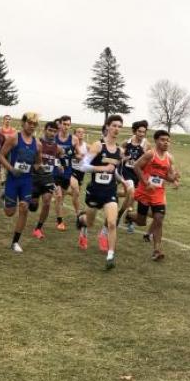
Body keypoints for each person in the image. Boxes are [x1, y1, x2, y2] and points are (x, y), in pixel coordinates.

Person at [76, 114, 124, 270]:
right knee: (89, 222)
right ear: (108, 126)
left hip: (110, 191)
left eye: (119, 126)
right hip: (95, 191)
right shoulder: (98, 145)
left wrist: (121, 180)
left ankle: (110, 255)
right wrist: (101, 168)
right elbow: (83, 166)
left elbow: (113, 171)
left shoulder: (119, 151)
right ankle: (81, 221)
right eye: (114, 125)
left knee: (111, 223)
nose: (117, 129)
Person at [127, 129, 180, 260]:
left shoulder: (170, 158)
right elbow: (136, 167)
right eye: (163, 140)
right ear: (156, 141)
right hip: (145, 192)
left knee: (159, 219)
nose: (166, 142)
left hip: (158, 193)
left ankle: (157, 250)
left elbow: (168, 176)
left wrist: (174, 180)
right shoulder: (150, 154)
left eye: (168, 140)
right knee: (141, 221)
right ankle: (129, 216)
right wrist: (145, 182)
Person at [0, 112, 41, 253]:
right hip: (13, 179)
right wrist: (11, 168)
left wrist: (38, 169)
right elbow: (1, 156)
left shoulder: (38, 144)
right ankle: (5, 196)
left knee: (24, 209)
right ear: (23, 123)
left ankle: (15, 242)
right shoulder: (13, 138)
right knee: (10, 212)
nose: (32, 126)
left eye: (34, 124)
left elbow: (38, 162)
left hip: (26, 181)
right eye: (29, 123)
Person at [32, 121, 64, 239]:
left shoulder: (58, 148)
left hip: (48, 178)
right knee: (33, 206)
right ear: (45, 130)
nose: (52, 133)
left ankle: (38, 228)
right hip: (34, 178)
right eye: (50, 130)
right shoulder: (37, 143)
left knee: (46, 202)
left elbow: (59, 157)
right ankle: (33, 202)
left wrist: (60, 165)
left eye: (55, 131)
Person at [118, 120, 149, 231]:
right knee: (131, 193)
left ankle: (129, 217)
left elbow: (149, 159)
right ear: (134, 131)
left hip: (138, 174)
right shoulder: (126, 142)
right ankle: (121, 214)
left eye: (143, 132)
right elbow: (119, 157)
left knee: (133, 196)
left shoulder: (146, 144)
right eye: (139, 131)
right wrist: (123, 158)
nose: (141, 134)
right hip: (126, 172)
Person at [53, 115, 82, 231]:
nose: (66, 127)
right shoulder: (54, 137)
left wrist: (77, 156)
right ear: (60, 125)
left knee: (62, 196)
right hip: (54, 171)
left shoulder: (74, 139)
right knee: (59, 196)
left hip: (67, 172)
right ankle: (60, 221)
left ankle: (60, 216)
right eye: (64, 124)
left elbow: (79, 154)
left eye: (68, 125)